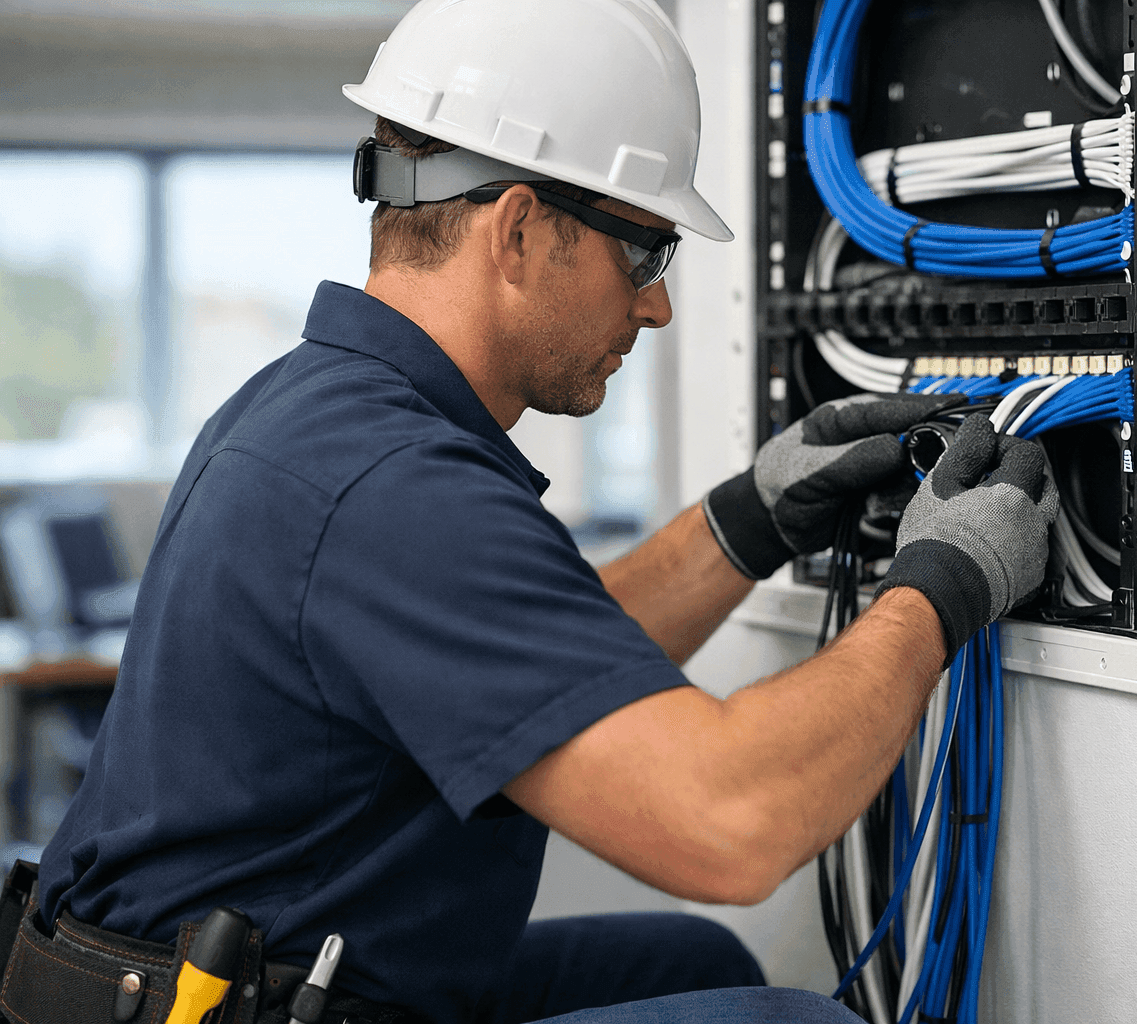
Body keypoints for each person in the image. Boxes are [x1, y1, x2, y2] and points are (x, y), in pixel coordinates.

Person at [8, 2, 1058, 1023]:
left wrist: (754, 515)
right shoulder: (394, 483)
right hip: (211, 1003)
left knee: (684, 961)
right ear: (518, 232)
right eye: (645, 251)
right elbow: (731, 821)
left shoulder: (325, 410)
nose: (657, 304)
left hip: (206, 972)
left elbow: (525, 671)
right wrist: (942, 584)